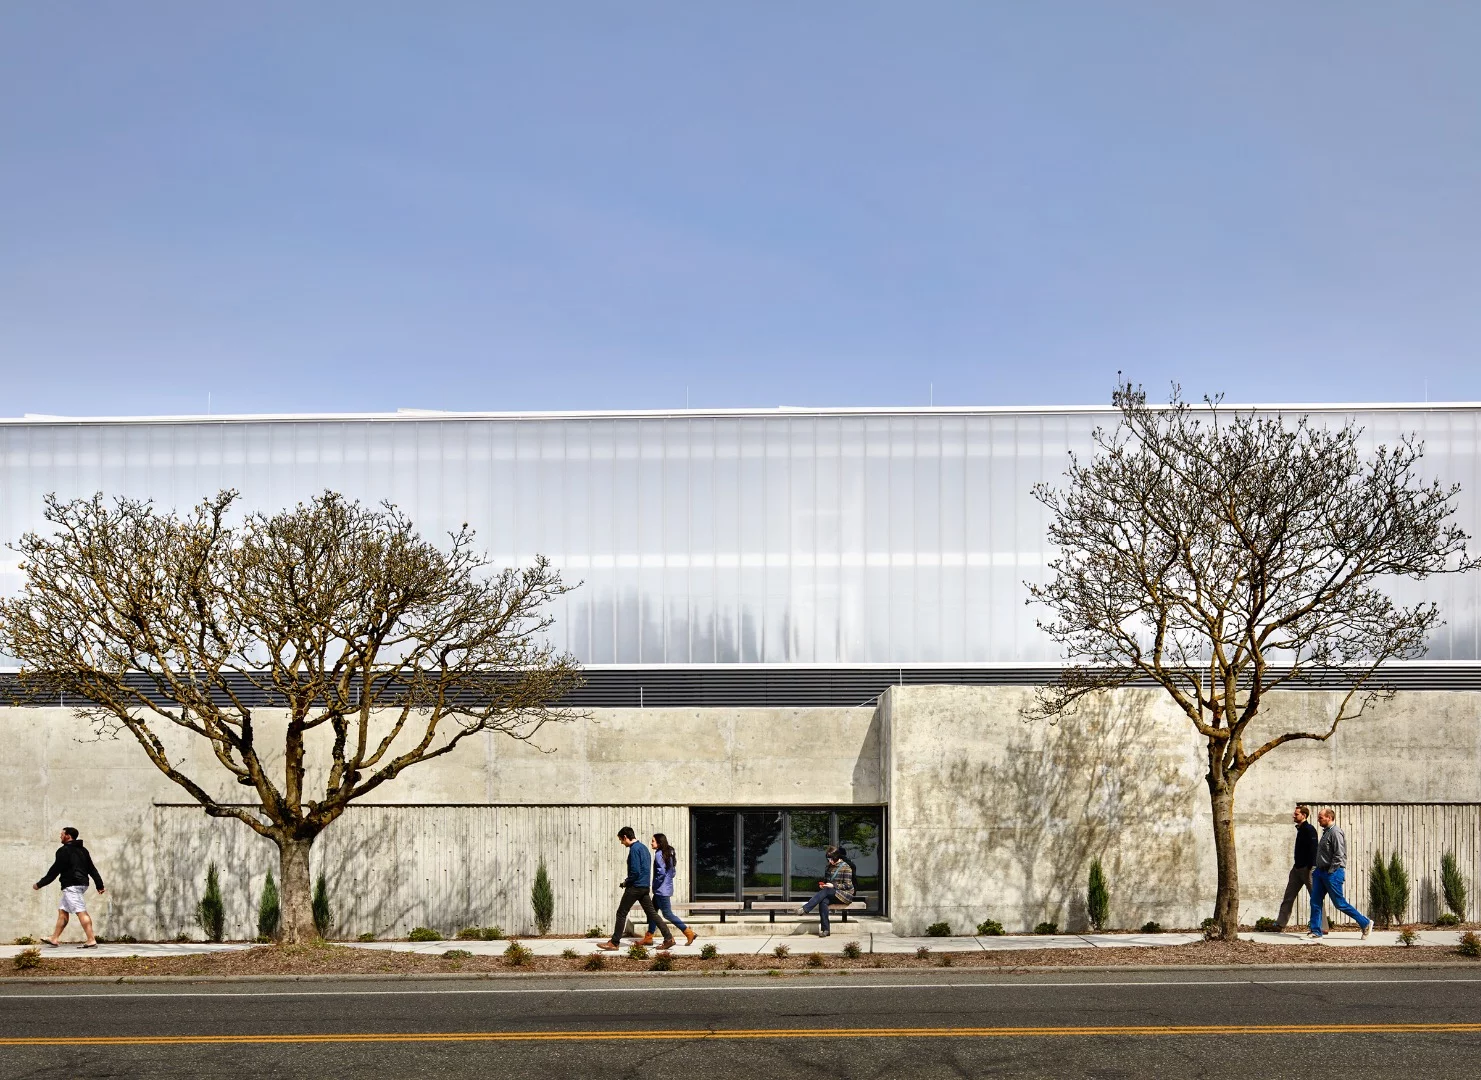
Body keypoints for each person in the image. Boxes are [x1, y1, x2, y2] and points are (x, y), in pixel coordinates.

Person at [596, 826, 673, 951]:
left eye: (621, 840)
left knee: (621, 913)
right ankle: (668, 938)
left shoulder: (634, 849)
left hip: (635, 887)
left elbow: (635, 871)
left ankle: (614, 943)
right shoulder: (644, 848)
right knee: (652, 914)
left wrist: (626, 882)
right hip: (644, 887)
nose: (621, 843)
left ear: (625, 837)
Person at [33, 827, 106, 948]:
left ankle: (91, 939)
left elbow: (54, 870)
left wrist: (40, 884)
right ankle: (54, 938)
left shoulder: (64, 851)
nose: (60, 836)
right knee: (63, 911)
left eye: (62, 834)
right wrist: (99, 885)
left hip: (72, 885)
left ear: (68, 836)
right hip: (81, 884)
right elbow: (92, 869)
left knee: (81, 911)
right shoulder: (83, 850)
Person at [1308, 808, 1372, 939]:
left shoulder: (1335, 832)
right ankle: (1316, 931)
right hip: (1320, 872)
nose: (1318, 820)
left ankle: (1365, 923)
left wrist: (1331, 871)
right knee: (1315, 901)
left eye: (1321, 817)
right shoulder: (1326, 832)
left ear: (1329, 817)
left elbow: (1339, 854)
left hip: (1332, 873)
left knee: (1339, 903)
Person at [645, 833, 697, 947]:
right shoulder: (669, 852)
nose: (651, 843)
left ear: (659, 842)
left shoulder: (659, 854)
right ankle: (648, 937)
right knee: (653, 912)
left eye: (653, 841)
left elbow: (661, 872)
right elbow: (672, 872)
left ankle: (688, 932)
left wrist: (655, 885)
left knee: (667, 914)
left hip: (661, 890)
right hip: (665, 888)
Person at [1274, 805, 1319, 932]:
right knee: (1288, 897)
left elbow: (1314, 849)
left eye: (1296, 814)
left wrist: (1310, 867)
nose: (1294, 816)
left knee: (1315, 897)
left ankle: (1322, 926)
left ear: (1304, 815)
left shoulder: (1309, 829)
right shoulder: (1300, 829)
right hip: (1297, 869)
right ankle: (1280, 924)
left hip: (1307, 869)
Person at [799, 845, 855, 937]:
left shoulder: (846, 867)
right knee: (823, 902)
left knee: (827, 891)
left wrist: (834, 886)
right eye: (828, 859)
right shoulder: (828, 867)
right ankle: (826, 930)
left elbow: (848, 886)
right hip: (832, 893)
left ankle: (805, 909)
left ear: (837, 857)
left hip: (845, 895)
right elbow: (827, 881)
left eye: (831, 859)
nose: (830, 861)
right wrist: (824, 885)